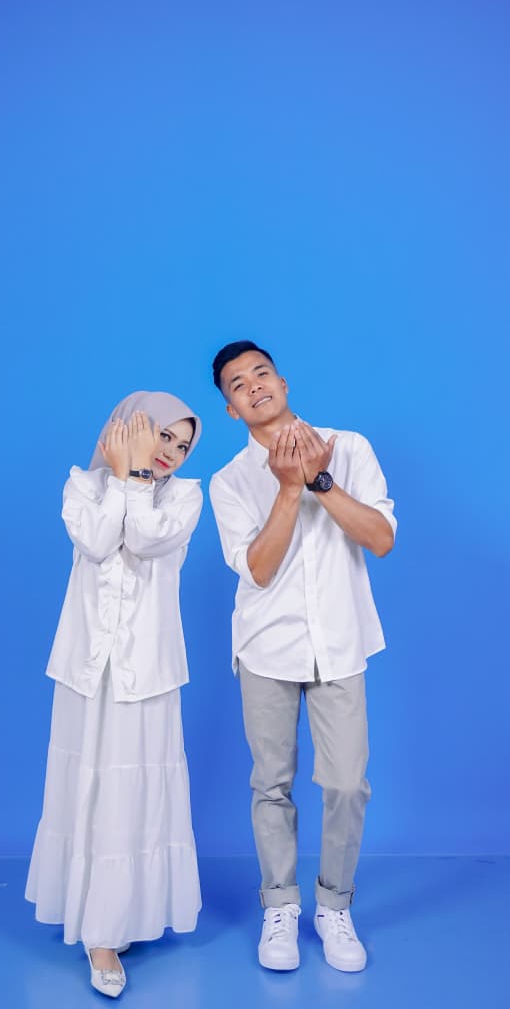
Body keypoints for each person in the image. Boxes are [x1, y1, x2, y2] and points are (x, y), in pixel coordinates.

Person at [208, 341, 396, 974]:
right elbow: (258, 570)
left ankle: (334, 906)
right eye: (238, 384)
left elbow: (381, 538)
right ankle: (280, 905)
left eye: (261, 373)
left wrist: (320, 479)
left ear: (283, 382)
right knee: (272, 784)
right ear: (232, 409)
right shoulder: (229, 482)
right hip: (266, 646)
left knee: (346, 784)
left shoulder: (351, 447)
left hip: (341, 641)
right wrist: (289, 489)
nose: (254, 386)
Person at [25, 391, 203, 998]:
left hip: (147, 671)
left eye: (183, 444)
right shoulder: (82, 487)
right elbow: (98, 542)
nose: (172, 451)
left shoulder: (184, 497)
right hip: (86, 669)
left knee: (134, 793)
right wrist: (123, 479)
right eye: (163, 435)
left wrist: (136, 478)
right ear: (129, 429)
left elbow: (148, 540)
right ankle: (97, 932)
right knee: (90, 787)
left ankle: (117, 920)